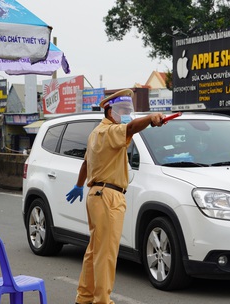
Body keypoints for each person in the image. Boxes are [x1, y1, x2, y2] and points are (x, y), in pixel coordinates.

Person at [65, 89, 165, 304]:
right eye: (123, 110)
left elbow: (85, 163)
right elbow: (131, 128)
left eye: (130, 110)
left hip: (98, 194)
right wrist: (150, 118)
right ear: (110, 111)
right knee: (106, 254)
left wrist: (78, 185)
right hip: (108, 195)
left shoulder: (96, 133)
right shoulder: (109, 131)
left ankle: (84, 297)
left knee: (95, 251)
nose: (127, 114)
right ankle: (102, 300)